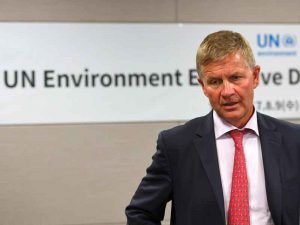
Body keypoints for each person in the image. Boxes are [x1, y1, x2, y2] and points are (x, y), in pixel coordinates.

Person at [125, 30, 300, 225]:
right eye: (215, 82)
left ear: (255, 76)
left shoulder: (293, 140)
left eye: (235, 78)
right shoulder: (176, 145)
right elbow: (140, 213)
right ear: (202, 85)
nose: (226, 91)